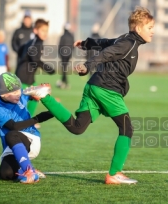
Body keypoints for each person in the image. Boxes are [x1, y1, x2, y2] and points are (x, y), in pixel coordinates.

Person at [23, 7, 154, 184]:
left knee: (77, 127)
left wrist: (86, 44)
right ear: (138, 29)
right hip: (107, 89)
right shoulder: (128, 44)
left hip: (94, 86)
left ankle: (45, 97)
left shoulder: (125, 39)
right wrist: (88, 65)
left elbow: (106, 42)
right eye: (150, 27)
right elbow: (106, 54)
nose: (152, 32)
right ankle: (114, 173)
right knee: (127, 129)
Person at [0, 72, 54, 183]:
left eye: (18, 90)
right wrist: (37, 119)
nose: (18, 94)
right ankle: (28, 168)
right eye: (14, 92)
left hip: (30, 138)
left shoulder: (20, 95)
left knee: (11, 135)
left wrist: (43, 90)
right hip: (12, 144)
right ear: (2, 94)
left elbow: (34, 93)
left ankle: (30, 172)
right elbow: (13, 126)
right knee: (5, 174)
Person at [15, 18, 56, 124]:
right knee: (20, 102)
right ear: (35, 30)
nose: (45, 33)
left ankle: (27, 121)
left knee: (35, 97)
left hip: (28, 76)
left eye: (46, 31)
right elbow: (35, 60)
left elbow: (20, 51)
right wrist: (49, 69)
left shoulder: (32, 42)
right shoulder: (37, 43)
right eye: (42, 30)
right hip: (24, 76)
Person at [56, 23, 74, 89]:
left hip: (63, 55)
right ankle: (63, 81)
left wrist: (59, 54)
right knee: (65, 69)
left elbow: (60, 46)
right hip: (69, 55)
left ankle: (65, 82)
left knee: (64, 69)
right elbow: (73, 46)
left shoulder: (62, 36)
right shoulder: (71, 36)